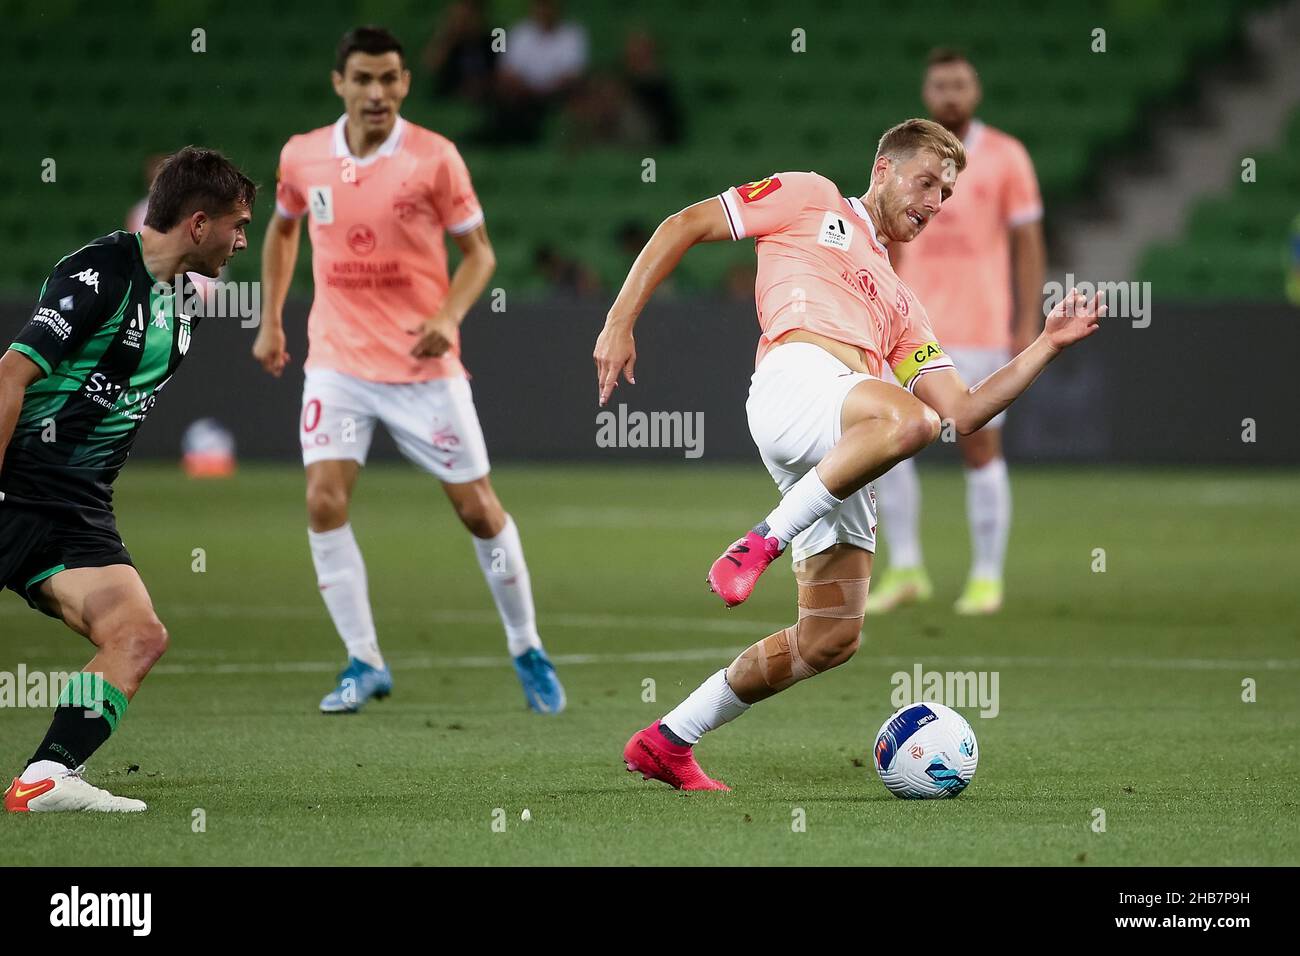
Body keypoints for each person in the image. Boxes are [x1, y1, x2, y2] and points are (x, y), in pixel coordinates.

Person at [594, 119, 1104, 790]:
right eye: (926, 182)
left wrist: (1046, 345)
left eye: (947, 194)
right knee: (910, 422)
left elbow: (968, 411)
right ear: (884, 169)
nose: (934, 203)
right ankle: (762, 541)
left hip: (849, 438)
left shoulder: (901, 303)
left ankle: (668, 740)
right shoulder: (811, 198)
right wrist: (618, 320)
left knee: (830, 638)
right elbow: (684, 223)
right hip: (796, 384)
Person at [254, 26, 565, 715]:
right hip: (336, 360)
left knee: (479, 511)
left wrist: (449, 317)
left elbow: (480, 254)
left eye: (390, 78)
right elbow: (281, 229)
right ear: (340, 83)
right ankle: (363, 661)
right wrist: (271, 318)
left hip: (423, 366)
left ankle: (526, 643)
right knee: (322, 501)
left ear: (405, 83)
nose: (377, 92)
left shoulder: (434, 158)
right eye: (363, 79)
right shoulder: (303, 156)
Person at [2, 147, 255, 811]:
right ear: (199, 224)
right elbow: (10, 375)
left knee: (138, 636)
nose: (243, 241)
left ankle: (47, 778)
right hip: (15, 487)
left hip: (76, 512)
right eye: (238, 224)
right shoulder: (99, 272)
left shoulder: (181, 307)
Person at [871, 49, 1048, 615]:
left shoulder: (1006, 157)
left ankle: (987, 576)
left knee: (980, 444)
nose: (951, 93)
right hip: (909, 327)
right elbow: (885, 235)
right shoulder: (899, 158)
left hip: (980, 325)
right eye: (941, 84)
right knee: (887, 446)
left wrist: (1025, 320)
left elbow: (1028, 244)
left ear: (976, 92)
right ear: (927, 94)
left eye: (961, 83)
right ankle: (905, 568)